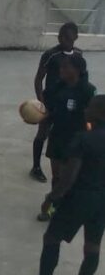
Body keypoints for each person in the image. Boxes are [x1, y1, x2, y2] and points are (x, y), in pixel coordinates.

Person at [13, 95, 105, 275]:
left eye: (90, 107)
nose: (85, 110)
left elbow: (68, 178)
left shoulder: (84, 139)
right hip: (102, 202)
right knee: (92, 247)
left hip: (79, 198)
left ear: (99, 114)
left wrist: (50, 199)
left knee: (52, 238)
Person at [39, 55, 96, 221]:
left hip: (75, 140)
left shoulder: (87, 90)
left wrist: (89, 138)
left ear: (77, 70)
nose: (62, 70)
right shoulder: (57, 87)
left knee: (68, 176)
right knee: (56, 175)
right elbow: (48, 109)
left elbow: (94, 117)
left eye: (66, 67)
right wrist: (42, 121)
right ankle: (53, 207)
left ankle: (63, 206)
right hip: (57, 136)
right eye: (61, 67)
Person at [31, 23, 82, 183]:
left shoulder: (79, 55)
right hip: (51, 101)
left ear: (75, 37)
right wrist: (41, 101)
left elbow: (81, 78)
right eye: (62, 37)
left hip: (69, 104)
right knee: (42, 133)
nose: (64, 40)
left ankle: (65, 169)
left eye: (68, 37)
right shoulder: (50, 55)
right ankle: (36, 167)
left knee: (66, 135)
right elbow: (39, 78)